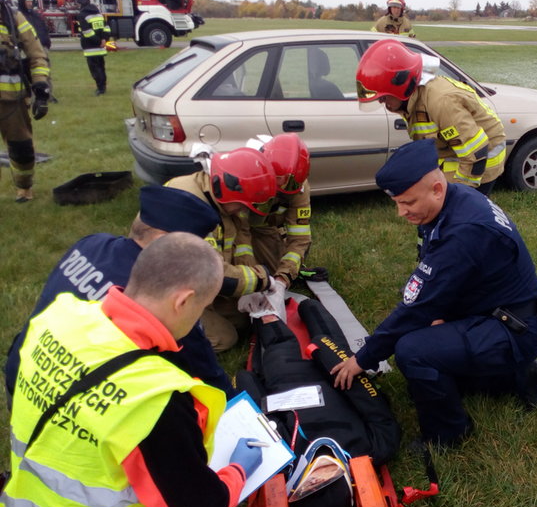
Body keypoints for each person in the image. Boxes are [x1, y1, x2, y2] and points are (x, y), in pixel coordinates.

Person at [0, 232, 264, 507]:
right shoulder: (155, 399)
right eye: (202, 308)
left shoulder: (58, 316)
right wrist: (239, 470)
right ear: (184, 301)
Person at [331, 139, 537, 447]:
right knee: (430, 347)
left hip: (514, 328)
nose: (400, 212)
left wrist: (362, 358)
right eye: (397, 203)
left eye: (408, 203)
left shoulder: (463, 232)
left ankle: (449, 433)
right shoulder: (456, 198)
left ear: (436, 188)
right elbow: (451, 284)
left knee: (412, 350)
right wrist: (442, 316)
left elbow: (415, 308)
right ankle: (521, 376)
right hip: (503, 313)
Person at [3, 184, 235, 403]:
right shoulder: (159, 295)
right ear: (164, 241)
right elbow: (207, 375)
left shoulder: (91, 243)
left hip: (24, 370)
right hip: (68, 410)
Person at [357, 38, 506, 195]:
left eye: (385, 96)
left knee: (463, 214)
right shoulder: (413, 100)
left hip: (481, 161)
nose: (382, 102)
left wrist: (462, 195)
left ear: (402, 87)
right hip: (455, 156)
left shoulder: (441, 102)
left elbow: (476, 152)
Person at [166, 147, 278, 352]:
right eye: (243, 205)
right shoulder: (191, 207)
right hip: (166, 294)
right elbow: (214, 276)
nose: (245, 210)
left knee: (243, 320)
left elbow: (242, 244)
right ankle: (164, 348)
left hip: (192, 284)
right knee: (224, 337)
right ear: (230, 191)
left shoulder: (219, 199)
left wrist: (251, 280)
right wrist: (262, 280)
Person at [247, 133, 312, 291]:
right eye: (276, 183)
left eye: (286, 187)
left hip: (267, 229)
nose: (280, 191)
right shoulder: (247, 173)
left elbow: (300, 238)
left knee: (274, 274)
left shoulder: (298, 187)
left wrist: (283, 277)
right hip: (239, 229)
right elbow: (234, 228)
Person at [0, 0, 50, 203]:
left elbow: (36, 53)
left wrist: (40, 84)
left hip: (11, 98)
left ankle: (24, 189)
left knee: (21, 147)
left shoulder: (11, 16)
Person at [17, 0, 57, 103]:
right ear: (22, 2)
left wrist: (47, 42)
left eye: (31, 1)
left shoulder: (36, 15)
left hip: (42, 47)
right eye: (27, 1)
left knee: (45, 72)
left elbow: (44, 29)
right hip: (27, 49)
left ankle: (48, 95)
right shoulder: (19, 16)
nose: (30, 4)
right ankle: (34, 98)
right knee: (31, 74)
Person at [76, 0, 110, 95]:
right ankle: (103, 86)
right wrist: (104, 39)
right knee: (101, 68)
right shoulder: (98, 14)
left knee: (95, 70)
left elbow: (87, 32)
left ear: (80, 4)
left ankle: (100, 89)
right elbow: (106, 27)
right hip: (101, 47)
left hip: (91, 47)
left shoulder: (82, 15)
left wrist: (98, 41)